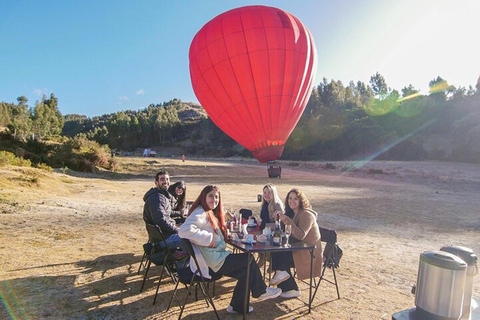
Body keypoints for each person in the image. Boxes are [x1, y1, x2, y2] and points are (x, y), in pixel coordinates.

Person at [178, 185, 282, 314]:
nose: (214, 200)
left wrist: (225, 236)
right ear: (203, 197)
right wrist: (209, 239)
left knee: (246, 272)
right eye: (210, 196)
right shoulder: (200, 212)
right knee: (248, 258)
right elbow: (184, 230)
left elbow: (211, 231)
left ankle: (237, 306)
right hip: (213, 261)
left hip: (216, 257)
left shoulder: (207, 211)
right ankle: (261, 290)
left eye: (216, 197)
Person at [269, 188, 323, 299]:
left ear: (301, 201)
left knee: (281, 254)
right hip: (298, 248)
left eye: (295, 199)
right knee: (276, 249)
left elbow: (300, 235)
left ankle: (289, 285)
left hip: (309, 253)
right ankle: (286, 283)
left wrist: (286, 220)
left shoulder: (307, 215)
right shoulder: (292, 213)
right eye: (290, 198)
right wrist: (279, 220)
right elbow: (286, 232)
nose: (292, 201)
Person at [143, 170, 184, 250]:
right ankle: (182, 262)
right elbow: (160, 220)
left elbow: (166, 212)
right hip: (164, 239)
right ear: (156, 182)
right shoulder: (156, 198)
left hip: (163, 235)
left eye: (167, 179)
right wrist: (177, 229)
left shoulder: (161, 195)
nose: (166, 182)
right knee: (193, 239)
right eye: (162, 179)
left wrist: (179, 213)